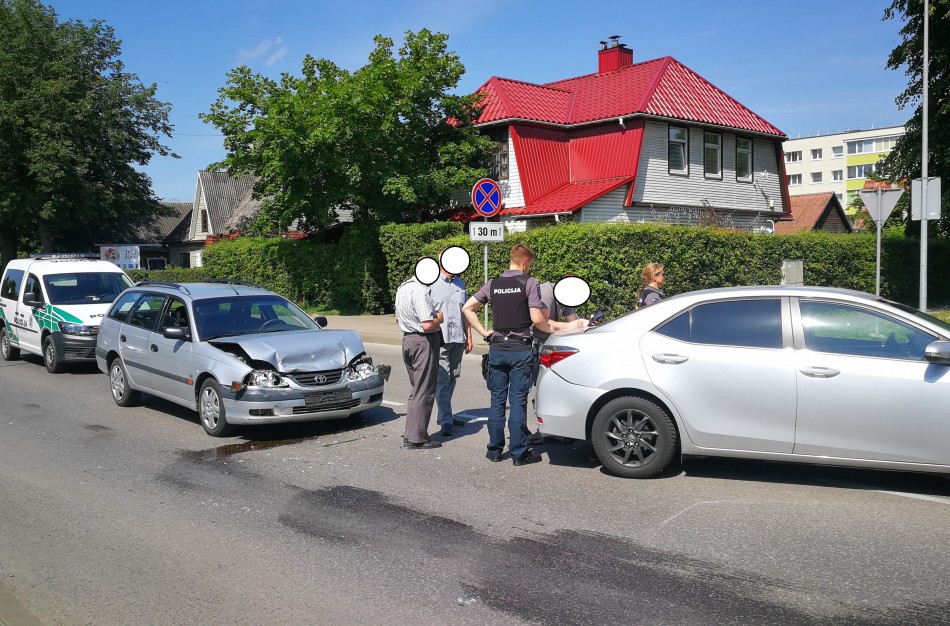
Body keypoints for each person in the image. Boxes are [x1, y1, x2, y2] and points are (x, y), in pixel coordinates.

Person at [462, 244, 552, 466]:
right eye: (529, 264)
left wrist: (484, 332)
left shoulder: (493, 284)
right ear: (524, 261)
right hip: (520, 350)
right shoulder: (529, 283)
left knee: (496, 402)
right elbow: (536, 318)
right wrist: (553, 330)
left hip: (497, 350)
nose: (529, 268)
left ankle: (494, 450)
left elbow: (467, 308)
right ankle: (519, 454)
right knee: (518, 402)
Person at [526, 280, 588, 444]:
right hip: (536, 344)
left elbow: (572, 322)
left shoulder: (566, 297)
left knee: (554, 387)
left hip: (550, 345)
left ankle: (555, 430)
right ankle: (534, 431)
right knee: (540, 387)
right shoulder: (546, 292)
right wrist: (570, 325)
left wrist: (584, 324)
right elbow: (542, 322)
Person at [394, 269, 444, 449]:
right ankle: (418, 438)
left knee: (416, 389)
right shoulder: (420, 290)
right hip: (423, 341)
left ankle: (411, 433)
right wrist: (439, 319)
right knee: (425, 389)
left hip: (408, 339)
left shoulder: (403, 288)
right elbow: (427, 324)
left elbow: (397, 317)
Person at [428, 258, 473, 437]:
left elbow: (466, 311)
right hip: (440, 337)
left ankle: (444, 414)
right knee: (442, 378)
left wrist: (468, 335)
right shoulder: (431, 282)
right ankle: (446, 419)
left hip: (457, 337)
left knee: (453, 376)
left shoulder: (460, 283)